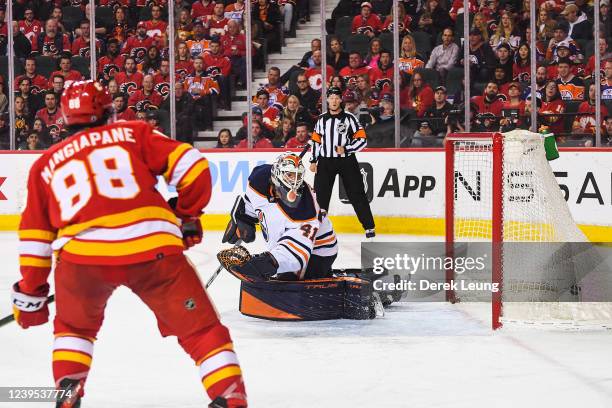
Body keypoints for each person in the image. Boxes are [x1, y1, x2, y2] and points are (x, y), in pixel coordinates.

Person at [10, 80, 247, 408]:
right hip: (154, 251)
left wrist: (31, 295)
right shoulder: (132, 133)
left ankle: (68, 394)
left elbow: (35, 240)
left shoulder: (44, 165)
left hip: (82, 261)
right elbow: (193, 167)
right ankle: (230, 398)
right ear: (109, 111)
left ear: (64, 119)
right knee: (201, 330)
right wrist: (186, 216)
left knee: (74, 330)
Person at [222, 152, 338, 281]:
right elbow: (252, 200)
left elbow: (295, 256)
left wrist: (262, 264)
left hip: (317, 251)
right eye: (289, 174)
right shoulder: (259, 178)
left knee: (287, 285)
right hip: (293, 246)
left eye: (298, 175)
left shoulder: (305, 209)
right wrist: (245, 218)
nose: (295, 181)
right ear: (277, 173)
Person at [310, 87, 375, 239]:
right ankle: (318, 228)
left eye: (336, 98)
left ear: (340, 100)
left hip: (347, 161)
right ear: (327, 100)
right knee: (321, 197)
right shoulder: (321, 119)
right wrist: (313, 160)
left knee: (357, 194)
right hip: (325, 161)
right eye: (331, 97)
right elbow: (316, 142)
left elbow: (362, 140)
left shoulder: (350, 118)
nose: (333, 100)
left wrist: (346, 149)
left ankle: (369, 227)